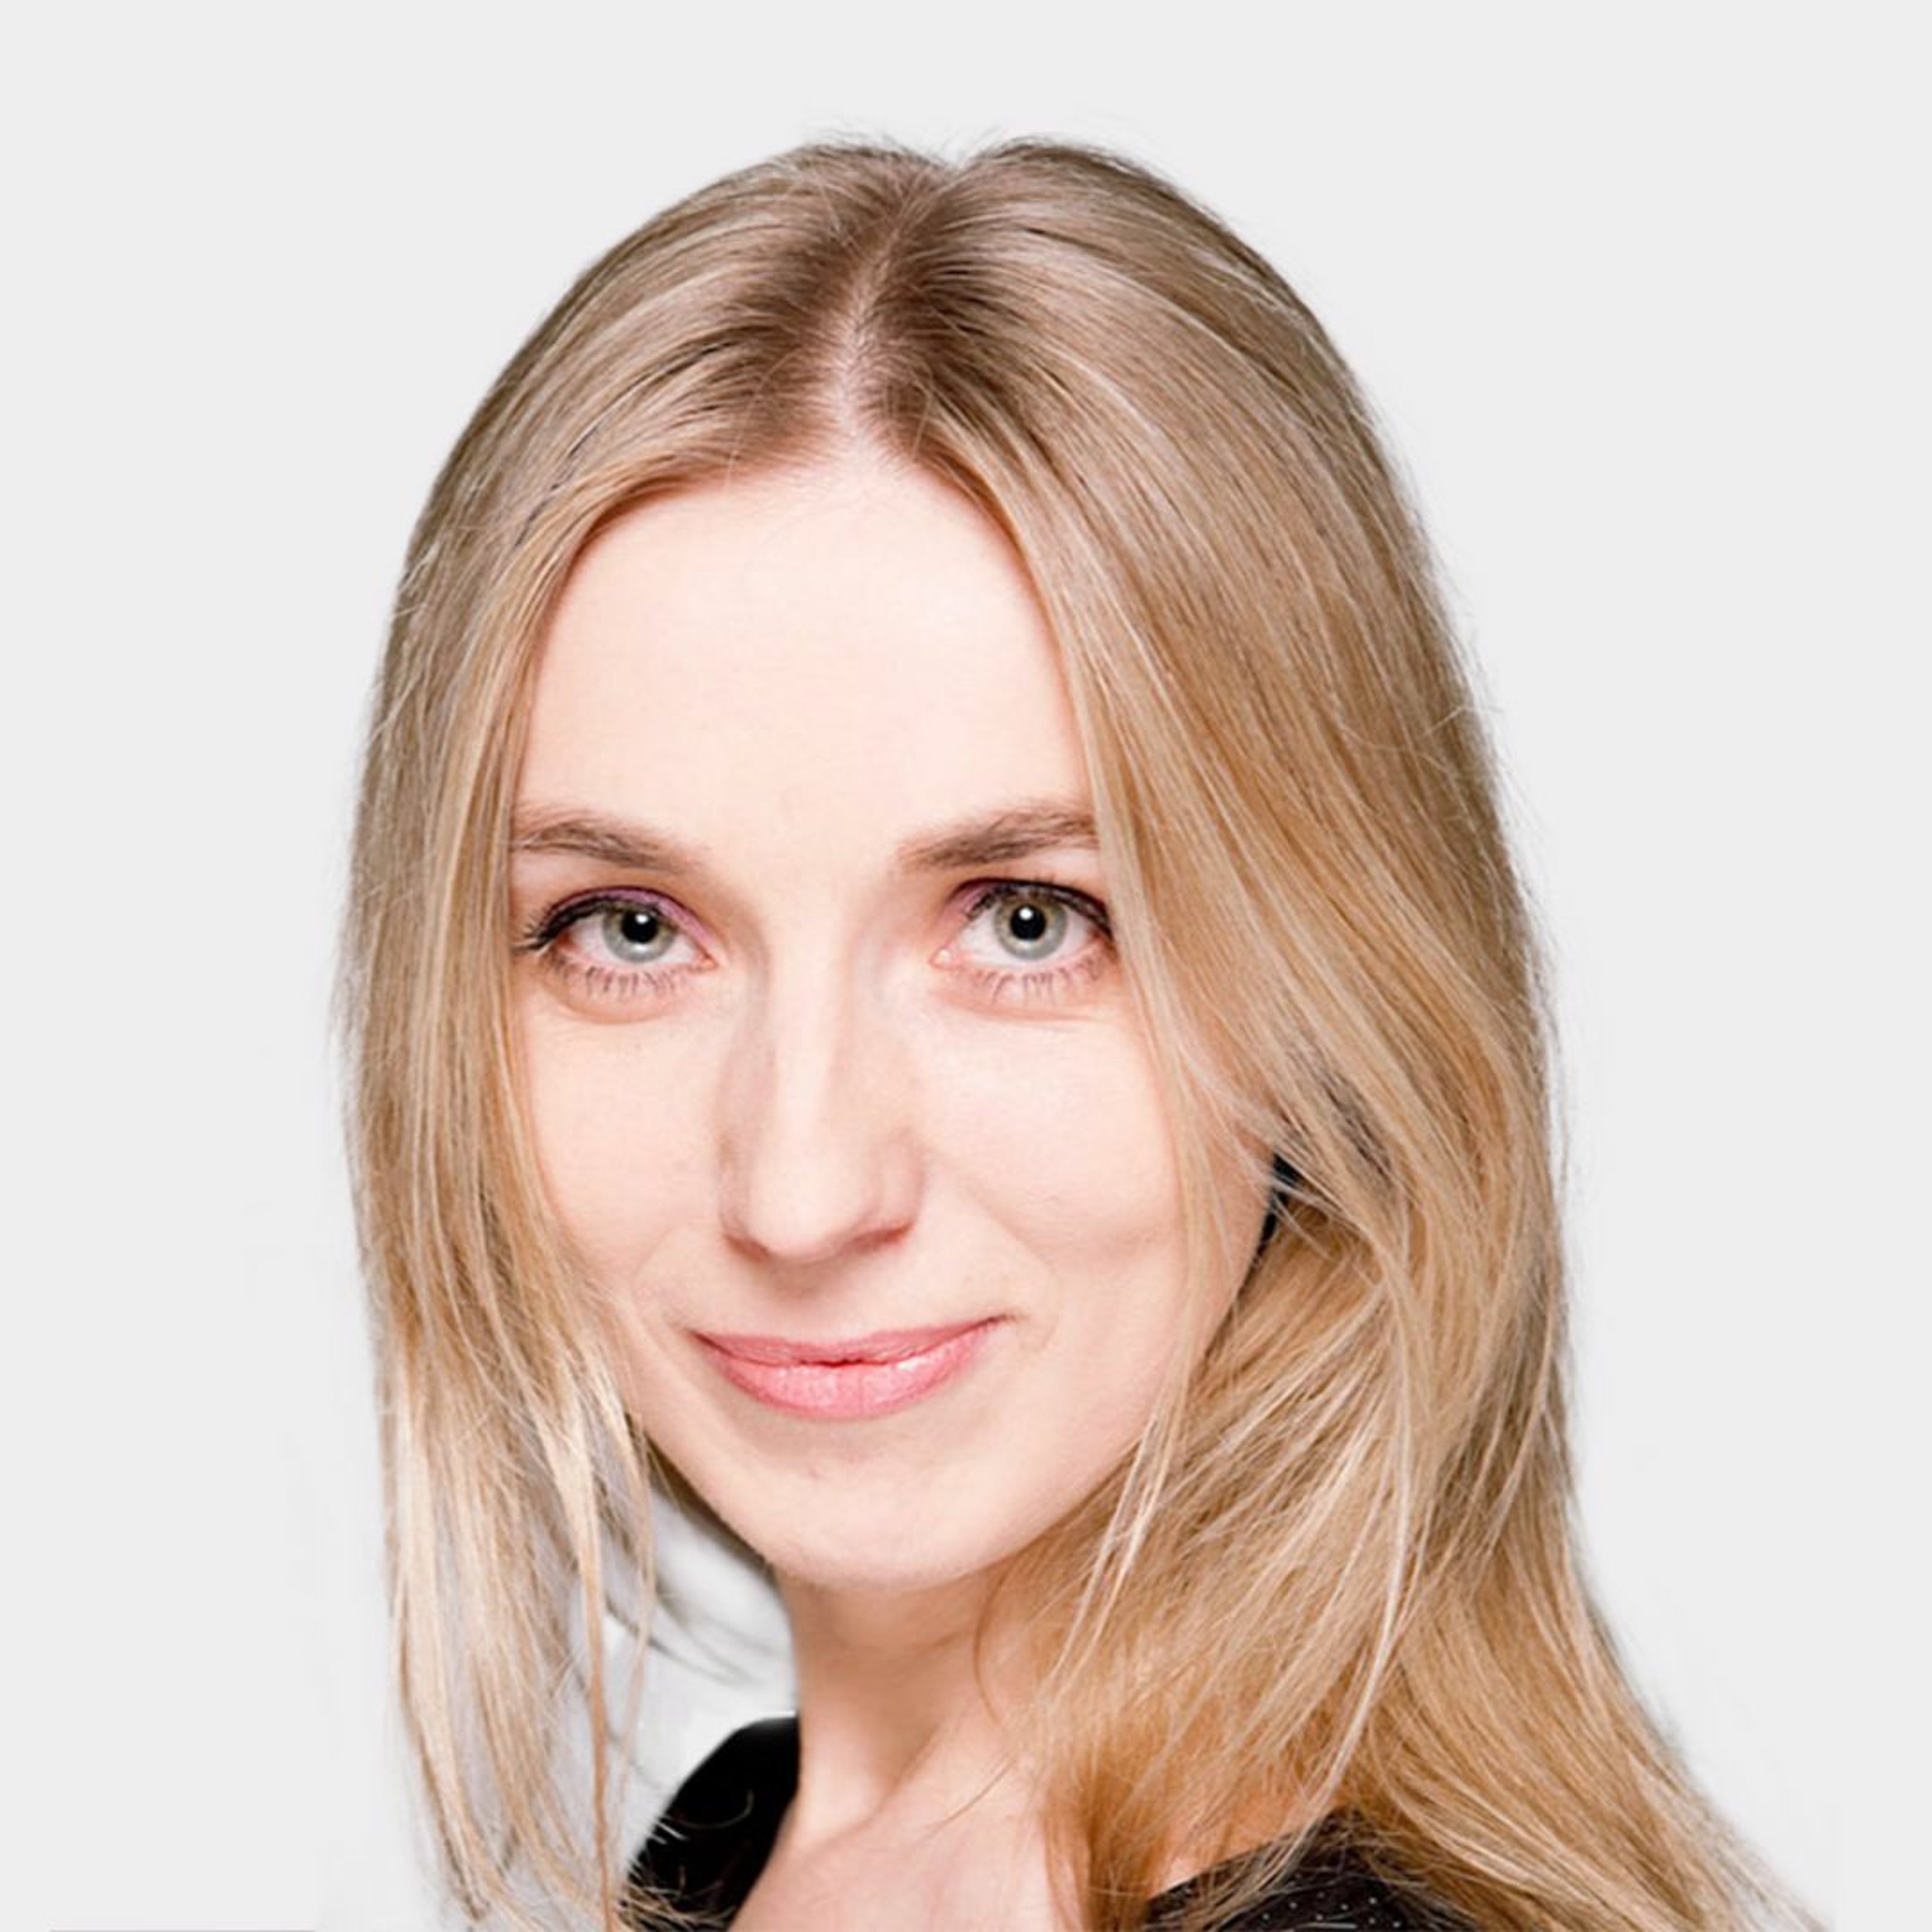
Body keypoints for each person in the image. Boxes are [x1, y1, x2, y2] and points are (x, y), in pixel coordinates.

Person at [341, 137, 1814, 1931]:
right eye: (631, 931)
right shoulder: (734, 1845)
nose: (801, 1189)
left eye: (1027, 922)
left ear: (1333, 994)